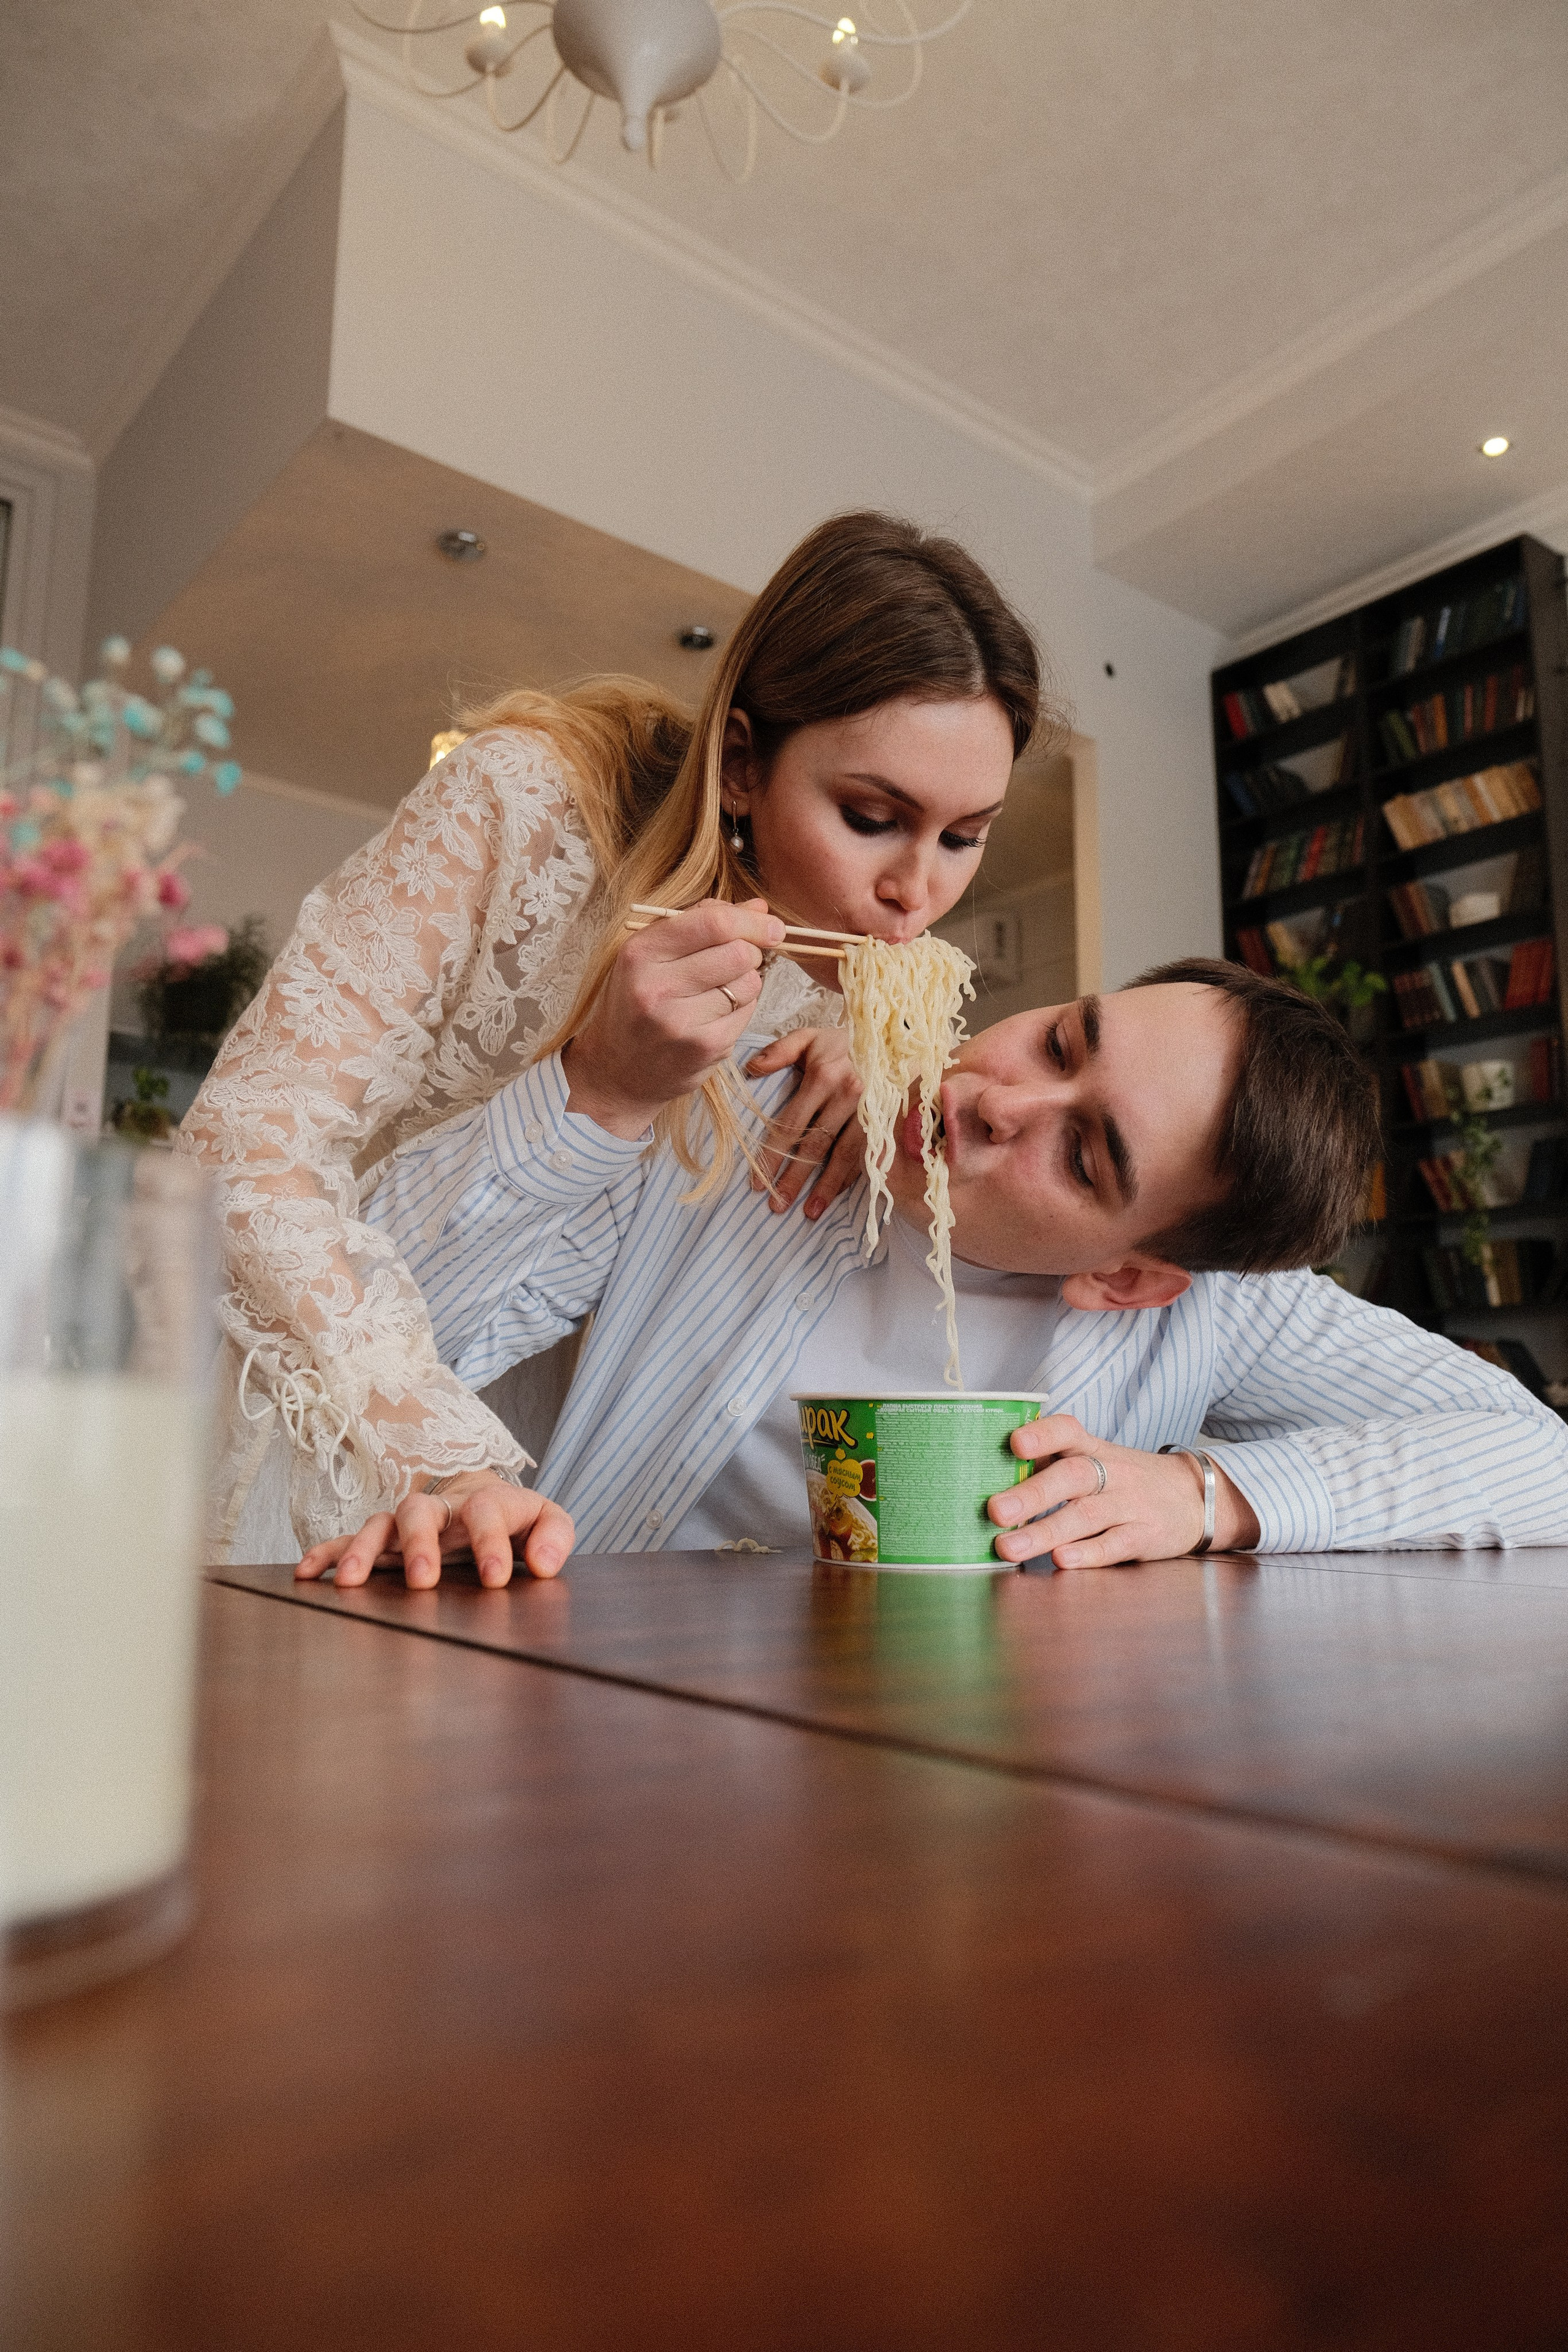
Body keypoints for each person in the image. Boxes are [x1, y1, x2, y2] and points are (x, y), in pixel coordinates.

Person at [178, 511, 1050, 1561]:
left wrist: (858, 1050)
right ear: (740, 764)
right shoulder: (526, 801)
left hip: (544, 1463)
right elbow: (243, 1149)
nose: (916, 897)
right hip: (305, 1387)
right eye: (871, 817)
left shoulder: (824, 989)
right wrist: (444, 1452)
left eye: (965, 838)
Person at [301, 960, 1568, 1589]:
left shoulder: (1222, 1311)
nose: (990, 1098)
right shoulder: (758, 1105)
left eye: (1081, 1152)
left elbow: (1542, 1461)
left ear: (1128, 1277)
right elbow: (368, 1311)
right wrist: (601, 1097)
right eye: (1062, 1039)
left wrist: (1207, 1497)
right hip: (571, 1707)